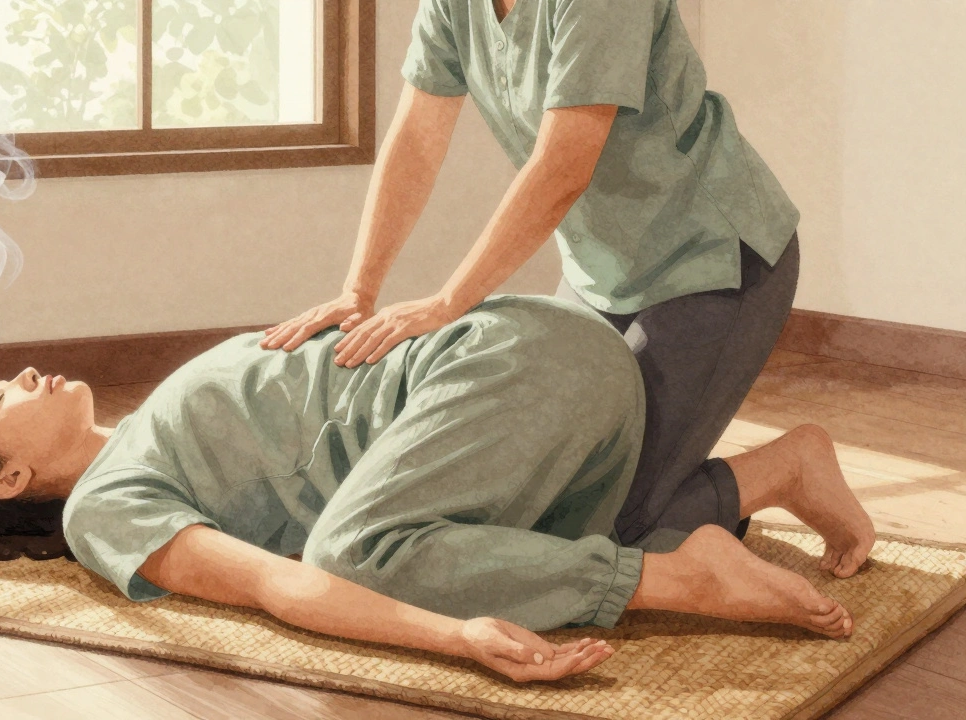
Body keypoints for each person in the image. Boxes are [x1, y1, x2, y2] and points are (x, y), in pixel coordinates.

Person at [0, 296, 874, 683]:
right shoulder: (108, 505)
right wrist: (452, 628)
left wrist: (453, 635)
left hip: (507, 369)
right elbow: (268, 587)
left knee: (361, 552)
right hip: (551, 383)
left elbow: (314, 569)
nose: (24, 376)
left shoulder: (151, 426)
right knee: (500, 550)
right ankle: (774, 472)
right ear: (11, 478)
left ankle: (676, 579)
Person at [262, 0, 826, 558]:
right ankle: (692, 505)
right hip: (597, 276)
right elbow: (417, 137)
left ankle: (790, 467)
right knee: (535, 502)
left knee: (610, 530)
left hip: (710, 262)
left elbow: (564, 166)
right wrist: (359, 290)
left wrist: (448, 302)